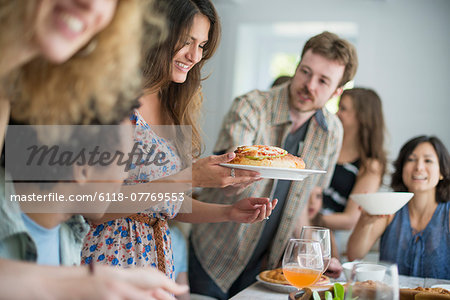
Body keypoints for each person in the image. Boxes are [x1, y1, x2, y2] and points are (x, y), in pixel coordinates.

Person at [81, 0, 275, 281]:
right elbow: (95, 211)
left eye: (202, 46)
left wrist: (230, 213)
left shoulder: (173, 107)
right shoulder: (117, 103)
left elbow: (167, 205)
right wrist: (190, 177)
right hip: (111, 263)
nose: (195, 55)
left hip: (156, 262)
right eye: (186, 41)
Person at [189, 31, 359, 298]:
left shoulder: (332, 132)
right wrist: (235, 174)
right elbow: (226, 185)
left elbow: (303, 202)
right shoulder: (250, 107)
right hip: (216, 250)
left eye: (323, 81)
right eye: (305, 71)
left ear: (337, 91)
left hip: (267, 264)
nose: (309, 85)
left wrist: (311, 254)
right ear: (297, 66)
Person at [347, 135, 450, 279]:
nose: (419, 167)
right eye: (411, 159)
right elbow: (354, 255)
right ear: (402, 168)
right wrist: (365, 221)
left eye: (428, 160)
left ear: (441, 172)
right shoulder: (389, 208)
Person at [319, 88, 387, 230]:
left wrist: (308, 218)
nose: (337, 113)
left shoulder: (370, 165)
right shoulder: (325, 146)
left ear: (362, 117)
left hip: (327, 234)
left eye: (343, 109)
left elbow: (351, 219)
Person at [293, 186, 342, 278]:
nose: (312, 202)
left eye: (318, 196)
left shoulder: (325, 230)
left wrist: (333, 266)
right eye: (307, 196)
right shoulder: (289, 231)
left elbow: (335, 260)